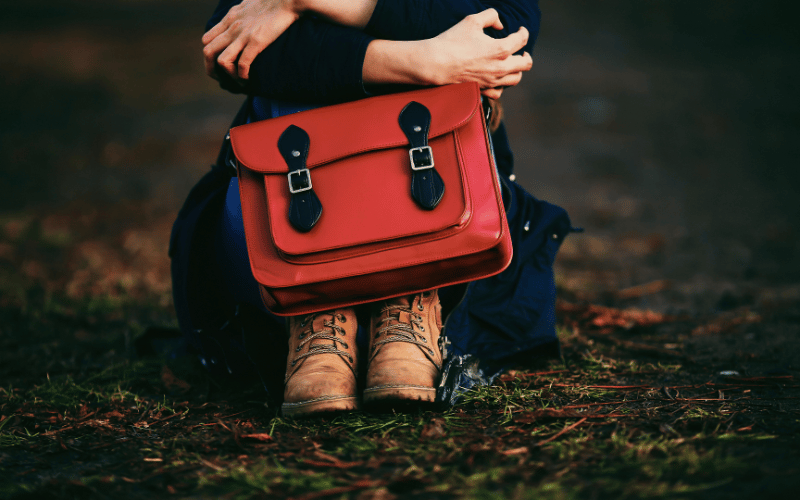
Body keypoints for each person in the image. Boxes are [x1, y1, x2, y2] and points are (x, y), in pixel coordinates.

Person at [170, 0, 572, 417]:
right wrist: (423, 60)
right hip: (280, 257)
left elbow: (504, 31)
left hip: (452, 239)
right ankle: (319, 310)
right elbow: (229, 46)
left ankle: (410, 297)